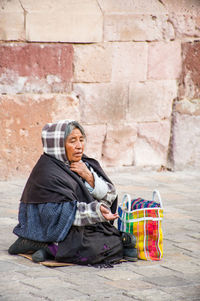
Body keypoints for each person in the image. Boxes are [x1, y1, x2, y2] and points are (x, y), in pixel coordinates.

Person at [8, 120, 137, 266]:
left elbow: (111, 194)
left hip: (81, 225)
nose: (79, 146)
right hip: (51, 228)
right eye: (72, 141)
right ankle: (44, 245)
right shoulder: (47, 172)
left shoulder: (84, 164)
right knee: (97, 247)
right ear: (59, 145)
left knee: (106, 239)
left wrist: (89, 176)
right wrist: (96, 211)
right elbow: (60, 215)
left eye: (81, 140)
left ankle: (48, 249)